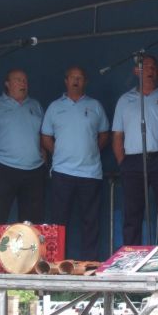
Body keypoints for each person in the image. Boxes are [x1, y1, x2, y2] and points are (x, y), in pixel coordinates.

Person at [112, 55, 158, 270]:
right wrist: (123, 163)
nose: (151, 71)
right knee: (132, 214)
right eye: (146, 67)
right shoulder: (124, 100)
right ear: (136, 71)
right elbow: (117, 135)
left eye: (154, 67)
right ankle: (131, 263)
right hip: (133, 161)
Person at [41, 66, 110, 261]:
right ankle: (56, 262)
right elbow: (45, 137)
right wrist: (60, 153)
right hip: (62, 172)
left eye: (80, 78)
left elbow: (104, 135)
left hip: (90, 173)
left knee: (91, 221)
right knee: (59, 222)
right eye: (72, 77)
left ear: (85, 81)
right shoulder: (55, 107)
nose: (76, 81)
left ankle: (89, 263)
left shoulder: (95, 106)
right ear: (66, 81)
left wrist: (90, 151)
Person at [0, 69, 45, 250]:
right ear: (7, 84)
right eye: (18, 80)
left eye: (25, 80)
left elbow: (43, 135)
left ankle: (29, 260)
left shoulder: (35, 105)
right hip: (4, 168)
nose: (23, 83)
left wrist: (43, 154)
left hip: (34, 170)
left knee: (31, 223)